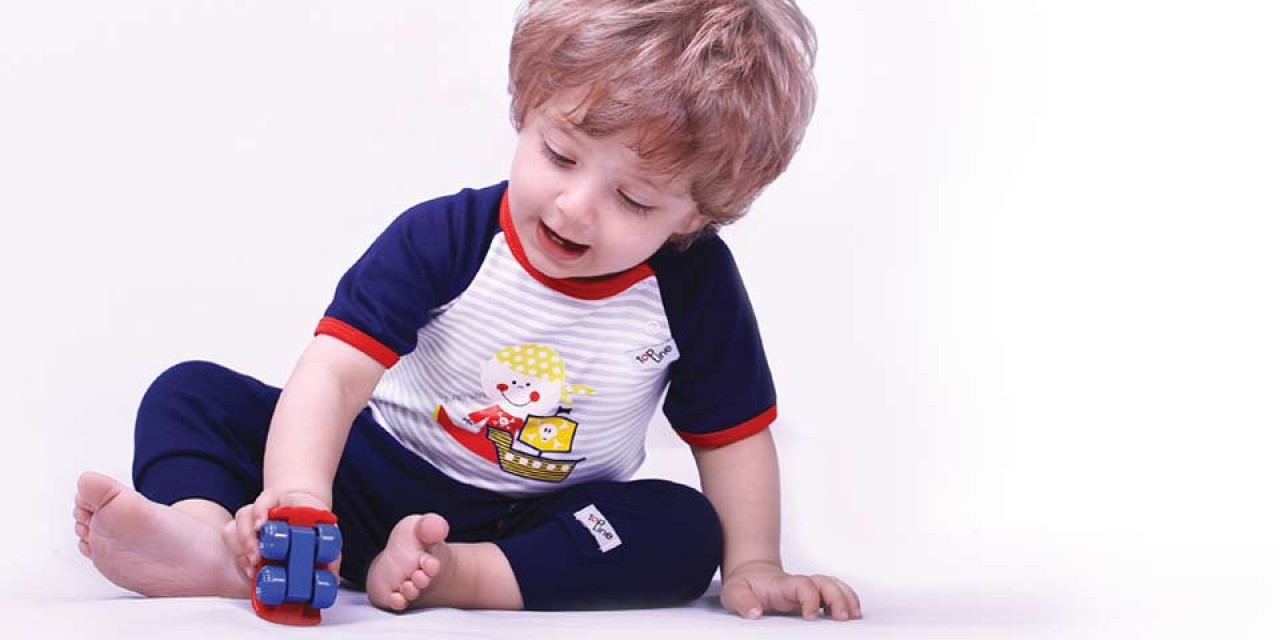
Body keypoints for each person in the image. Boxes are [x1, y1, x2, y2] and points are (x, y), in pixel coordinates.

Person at [73, 0, 861, 621]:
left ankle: (458, 577)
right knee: (191, 394)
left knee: (686, 530)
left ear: (696, 214)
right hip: (369, 478)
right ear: (528, 108)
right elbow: (335, 377)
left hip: (546, 524)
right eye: (560, 155)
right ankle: (214, 540)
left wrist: (754, 563)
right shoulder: (447, 237)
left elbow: (732, 436)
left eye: (633, 199)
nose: (577, 206)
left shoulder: (693, 285)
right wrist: (301, 497)